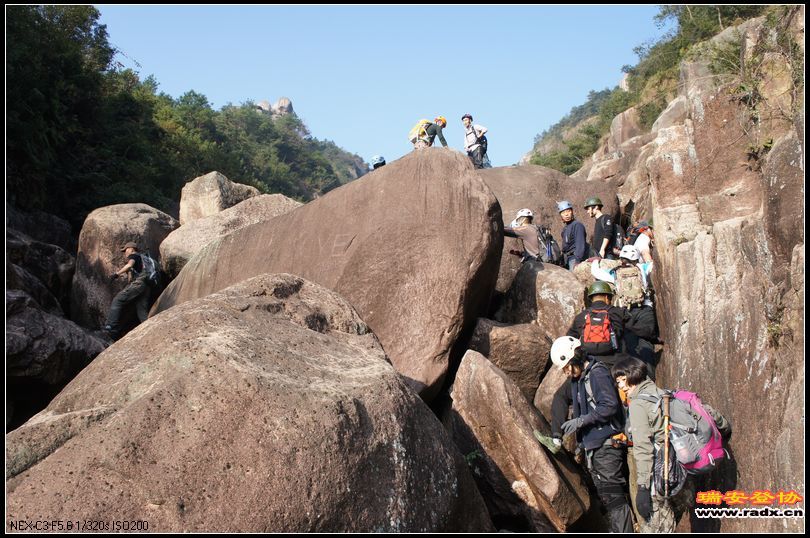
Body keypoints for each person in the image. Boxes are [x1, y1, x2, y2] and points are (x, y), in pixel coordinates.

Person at [611, 358, 732, 532]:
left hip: (664, 473)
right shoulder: (666, 394)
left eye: (621, 380)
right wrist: (724, 429)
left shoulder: (638, 404)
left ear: (630, 376)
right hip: (683, 468)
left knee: (657, 526)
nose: (620, 386)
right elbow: (706, 411)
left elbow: (643, 448)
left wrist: (643, 487)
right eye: (618, 382)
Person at [547, 335, 634, 533]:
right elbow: (559, 397)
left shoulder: (597, 373)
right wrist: (556, 433)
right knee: (607, 496)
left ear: (576, 357)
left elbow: (610, 405)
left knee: (613, 495)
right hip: (593, 447)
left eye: (567, 367)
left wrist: (582, 421)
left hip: (607, 445)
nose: (567, 373)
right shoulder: (577, 379)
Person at [592, 245, 658, 378]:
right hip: (645, 309)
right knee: (646, 341)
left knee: (630, 345)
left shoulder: (614, 273)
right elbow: (652, 265)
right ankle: (650, 377)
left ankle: (634, 379)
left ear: (621, 258)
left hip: (626, 312)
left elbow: (596, 272)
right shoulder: (642, 268)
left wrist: (596, 261)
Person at [567, 281, 627, 366]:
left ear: (591, 299)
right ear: (607, 297)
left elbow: (569, 339)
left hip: (590, 363)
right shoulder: (618, 312)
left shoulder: (581, 316)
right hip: (617, 363)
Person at [103, 241, 153, 340]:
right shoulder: (143, 258)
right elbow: (131, 278)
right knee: (141, 309)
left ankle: (110, 326)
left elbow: (129, 265)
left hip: (139, 284)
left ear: (131, 249)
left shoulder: (134, 256)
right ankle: (151, 329)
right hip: (147, 286)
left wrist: (116, 274)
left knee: (118, 300)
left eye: (125, 250)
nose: (125, 252)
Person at [558, 201, 588, 270]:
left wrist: (577, 261)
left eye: (568, 211)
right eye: (563, 212)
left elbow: (580, 244)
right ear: (561, 215)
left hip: (575, 259)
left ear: (572, 211)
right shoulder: (565, 229)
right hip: (568, 259)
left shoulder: (577, 225)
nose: (566, 214)